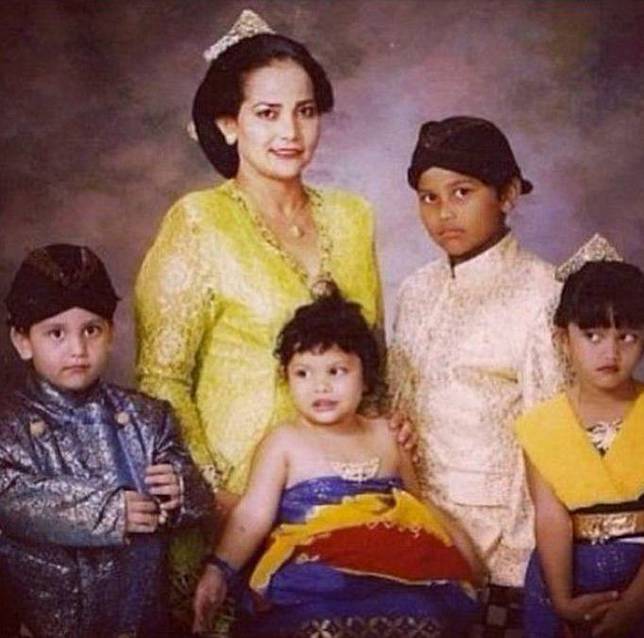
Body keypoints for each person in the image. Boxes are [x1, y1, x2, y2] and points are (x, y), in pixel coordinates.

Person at [134, 10, 384, 628]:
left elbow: (374, 359)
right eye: (267, 113)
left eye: (305, 111)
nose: (290, 132)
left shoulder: (353, 217)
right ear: (228, 123)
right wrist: (215, 495)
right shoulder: (199, 221)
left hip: (341, 503)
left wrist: (385, 444)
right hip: (231, 500)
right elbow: (162, 380)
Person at [193, 290, 484, 637]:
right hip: (316, 573)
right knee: (320, 609)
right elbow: (252, 516)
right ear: (286, 378)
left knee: (424, 608)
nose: (321, 386)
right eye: (303, 373)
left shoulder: (387, 434)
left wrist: (464, 556)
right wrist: (218, 571)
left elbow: (416, 507)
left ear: (366, 376)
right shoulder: (284, 441)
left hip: (394, 568)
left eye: (336, 371)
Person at [388, 116, 564, 635]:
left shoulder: (544, 294)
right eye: (429, 197)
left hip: (502, 548)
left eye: (462, 192)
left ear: (507, 194)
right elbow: (398, 402)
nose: (444, 213)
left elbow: (552, 441)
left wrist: (523, 563)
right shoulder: (415, 290)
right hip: (415, 529)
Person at [0, 244, 210, 638]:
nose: (78, 349)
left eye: (91, 330)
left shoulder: (148, 417)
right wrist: (109, 511)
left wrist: (181, 490)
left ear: (111, 333)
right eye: (56, 333)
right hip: (48, 620)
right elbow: (10, 498)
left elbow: (199, 498)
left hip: (142, 618)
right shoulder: (9, 423)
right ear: (22, 340)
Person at [516, 236, 644, 638]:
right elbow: (550, 517)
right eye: (592, 335)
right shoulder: (542, 424)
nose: (610, 352)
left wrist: (631, 608)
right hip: (569, 574)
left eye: (627, 336)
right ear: (563, 340)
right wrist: (563, 601)